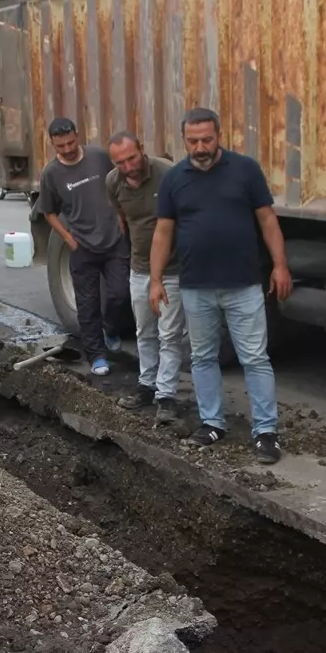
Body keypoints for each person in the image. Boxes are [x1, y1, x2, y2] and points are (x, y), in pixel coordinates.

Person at [150, 108, 292, 464]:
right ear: (184, 140)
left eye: (207, 140)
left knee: (255, 358)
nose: (200, 147)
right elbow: (163, 232)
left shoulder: (245, 170)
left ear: (219, 135)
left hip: (243, 285)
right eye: (193, 141)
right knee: (202, 357)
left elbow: (268, 221)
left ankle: (266, 432)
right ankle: (212, 422)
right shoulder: (174, 179)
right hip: (195, 287)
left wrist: (280, 265)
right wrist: (155, 279)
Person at [37, 117, 129, 376]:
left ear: (78, 135)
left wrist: (121, 216)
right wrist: (67, 237)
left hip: (113, 240)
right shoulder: (52, 173)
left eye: (70, 143)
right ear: (52, 144)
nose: (66, 149)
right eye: (60, 146)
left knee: (120, 294)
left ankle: (110, 329)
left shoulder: (99, 157)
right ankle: (97, 356)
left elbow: (119, 185)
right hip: (82, 246)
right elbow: (48, 211)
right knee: (87, 305)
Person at [106, 131, 182, 423]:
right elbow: (123, 218)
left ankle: (166, 395)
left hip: (173, 270)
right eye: (120, 162)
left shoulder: (168, 174)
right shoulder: (112, 182)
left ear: (142, 148)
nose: (128, 166)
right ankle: (146, 385)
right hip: (138, 268)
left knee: (170, 335)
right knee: (144, 331)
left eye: (132, 157)